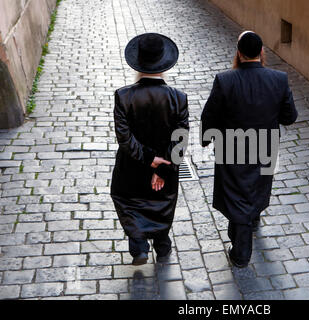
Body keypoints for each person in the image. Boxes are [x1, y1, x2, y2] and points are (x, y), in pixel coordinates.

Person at [200, 31, 298, 268]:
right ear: (262, 52)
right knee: (258, 186)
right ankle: (252, 218)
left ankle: (242, 253)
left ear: (239, 53)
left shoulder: (225, 80)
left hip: (231, 147)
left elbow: (210, 115)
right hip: (264, 147)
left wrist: (206, 139)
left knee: (236, 192)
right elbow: (290, 117)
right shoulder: (279, 79)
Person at [111, 33, 189, 266]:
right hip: (167, 167)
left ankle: (139, 248)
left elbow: (124, 138)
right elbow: (181, 138)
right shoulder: (178, 98)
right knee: (160, 203)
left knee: (130, 202)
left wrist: (149, 159)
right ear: (163, 63)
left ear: (139, 61)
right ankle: (162, 246)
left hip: (131, 167)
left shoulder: (123, 96)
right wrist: (162, 166)